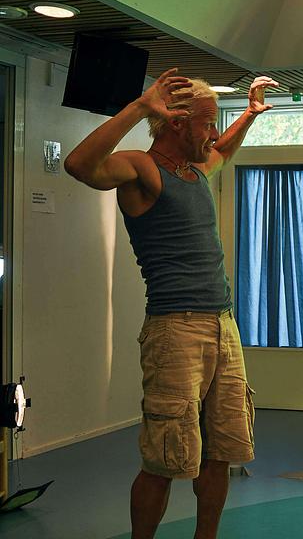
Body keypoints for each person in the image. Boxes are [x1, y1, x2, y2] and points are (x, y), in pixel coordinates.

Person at [65, 68, 277, 538]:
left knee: (221, 452)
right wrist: (140, 106)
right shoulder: (141, 169)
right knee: (164, 459)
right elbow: (79, 165)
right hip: (175, 329)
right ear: (177, 124)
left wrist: (250, 114)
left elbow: (222, 152)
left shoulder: (195, 170)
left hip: (223, 325)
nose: (214, 133)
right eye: (207, 123)